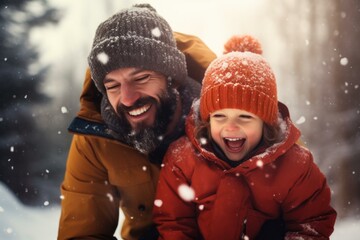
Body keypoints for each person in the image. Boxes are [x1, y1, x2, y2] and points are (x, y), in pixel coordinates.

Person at [153, 35, 337, 239]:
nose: (231, 127)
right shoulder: (183, 158)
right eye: (220, 116)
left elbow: (312, 223)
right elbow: (174, 224)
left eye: (245, 117)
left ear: (265, 121)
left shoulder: (295, 165)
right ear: (207, 120)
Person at [57, 3, 216, 240]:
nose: (128, 98)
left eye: (141, 78)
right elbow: (82, 234)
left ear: (172, 78)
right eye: (112, 86)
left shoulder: (230, 116)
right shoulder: (95, 137)